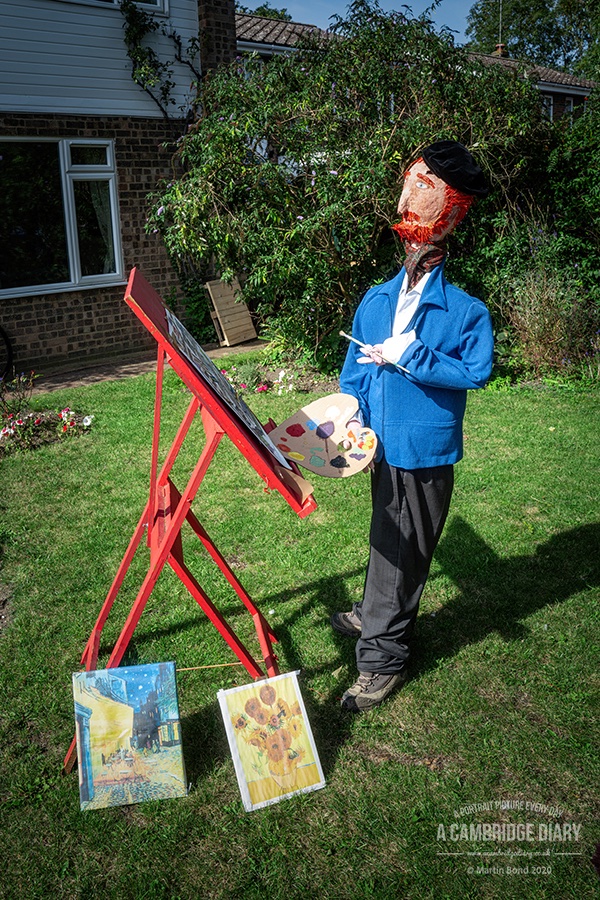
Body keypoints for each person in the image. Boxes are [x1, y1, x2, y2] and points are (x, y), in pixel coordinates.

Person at [333, 140, 494, 712]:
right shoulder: (376, 299)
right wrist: (350, 411)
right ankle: (376, 613)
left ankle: (382, 659)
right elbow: (353, 370)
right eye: (407, 181)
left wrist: (414, 356)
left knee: (406, 555)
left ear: (450, 208)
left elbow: (477, 371)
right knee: (386, 535)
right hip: (379, 443)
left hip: (423, 451)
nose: (405, 195)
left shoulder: (466, 312)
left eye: (422, 185)